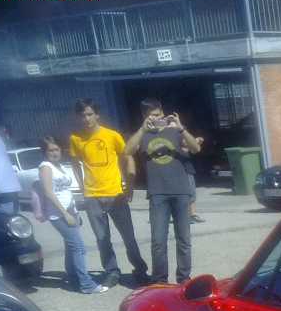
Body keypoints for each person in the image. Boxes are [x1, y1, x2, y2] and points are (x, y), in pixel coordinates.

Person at [69, 98, 149, 287]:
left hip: (115, 194)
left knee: (128, 236)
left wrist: (129, 184)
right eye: (82, 115)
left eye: (89, 114)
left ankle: (140, 269)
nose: (86, 119)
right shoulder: (76, 139)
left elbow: (127, 156)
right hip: (92, 196)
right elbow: (74, 164)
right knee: (102, 238)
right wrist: (82, 187)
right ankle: (112, 271)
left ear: (97, 115)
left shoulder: (112, 135)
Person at [125, 99, 201, 284]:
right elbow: (126, 150)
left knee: (184, 239)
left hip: (181, 191)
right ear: (145, 116)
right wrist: (142, 129)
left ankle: (183, 278)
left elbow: (196, 148)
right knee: (158, 241)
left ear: (163, 113)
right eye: (151, 115)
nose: (156, 118)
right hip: (157, 193)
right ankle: (160, 280)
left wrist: (181, 128)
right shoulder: (143, 134)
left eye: (158, 114)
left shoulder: (174, 130)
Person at [36, 136, 107, 294]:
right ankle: (86, 284)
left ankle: (73, 278)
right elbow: (48, 192)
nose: (55, 152)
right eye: (50, 150)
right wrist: (65, 213)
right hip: (58, 214)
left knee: (71, 246)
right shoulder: (45, 167)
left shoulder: (58, 166)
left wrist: (74, 213)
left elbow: (65, 192)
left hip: (70, 212)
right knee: (79, 247)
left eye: (57, 149)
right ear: (45, 152)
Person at [183, 134, 204, 223]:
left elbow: (194, 150)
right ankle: (187, 215)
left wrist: (196, 142)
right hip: (181, 170)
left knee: (192, 193)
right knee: (186, 193)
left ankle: (193, 214)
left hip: (188, 169)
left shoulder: (183, 137)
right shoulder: (173, 138)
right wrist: (194, 141)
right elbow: (183, 145)